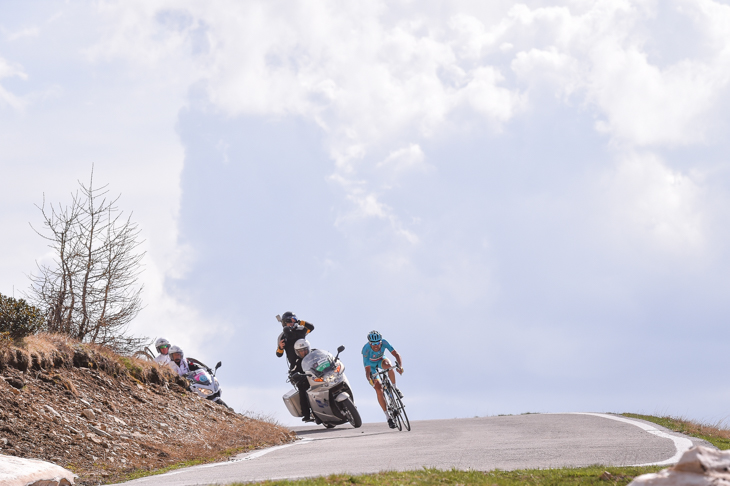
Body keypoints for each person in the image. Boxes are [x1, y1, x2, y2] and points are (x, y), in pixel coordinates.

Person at [362, 330, 404, 429]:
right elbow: (367, 370)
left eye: (378, 343)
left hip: (381, 360)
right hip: (371, 367)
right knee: (379, 389)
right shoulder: (366, 350)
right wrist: (370, 380)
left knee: (389, 366)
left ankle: (395, 388)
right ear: (369, 343)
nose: (376, 346)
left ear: (381, 341)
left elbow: (396, 354)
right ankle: (388, 417)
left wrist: (400, 366)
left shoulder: (384, 342)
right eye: (373, 344)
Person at [291, 339, 314, 422]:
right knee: (302, 391)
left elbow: (325, 357)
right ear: (297, 352)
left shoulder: (315, 353)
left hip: (319, 376)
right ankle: (306, 414)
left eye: (305, 350)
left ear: (308, 348)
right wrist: (294, 376)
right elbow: (292, 371)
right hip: (307, 380)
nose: (303, 353)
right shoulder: (297, 361)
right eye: (301, 351)